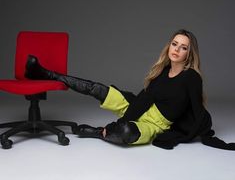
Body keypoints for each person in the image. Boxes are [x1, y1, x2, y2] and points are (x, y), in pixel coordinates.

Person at [24, 29, 235, 150]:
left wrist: (199, 136)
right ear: (169, 46)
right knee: (96, 89)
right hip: (139, 108)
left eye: (183, 47)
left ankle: (98, 132)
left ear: (189, 53)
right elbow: (143, 100)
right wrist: (120, 120)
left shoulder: (191, 78)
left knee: (126, 133)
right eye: (174, 44)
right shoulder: (162, 72)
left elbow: (198, 112)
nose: (177, 50)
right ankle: (45, 73)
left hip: (154, 125)